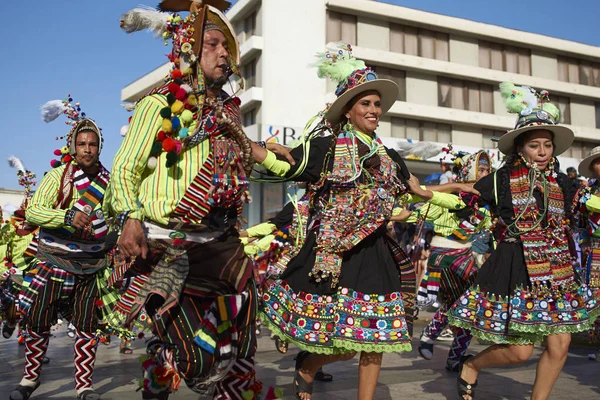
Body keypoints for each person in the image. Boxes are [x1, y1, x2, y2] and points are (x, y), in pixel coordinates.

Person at [251, 43, 477, 400]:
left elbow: (415, 195)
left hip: (376, 253)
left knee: (376, 337)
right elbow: (288, 165)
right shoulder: (327, 147)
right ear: (348, 111)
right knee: (338, 339)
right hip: (334, 255)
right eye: (365, 104)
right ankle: (308, 365)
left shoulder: (390, 158)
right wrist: (247, 146)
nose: (374, 110)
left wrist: (459, 196)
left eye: (377, 104)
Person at [113, 2, 264, 398]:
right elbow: (125, 168)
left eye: (226, 48)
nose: (222, 54)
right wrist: (130, 217)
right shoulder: (158, 104)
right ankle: (164, 356)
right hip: (168, 247)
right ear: (188, 52)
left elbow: (252, 161)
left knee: (242, 335)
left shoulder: (229, 115)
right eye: (212, 44)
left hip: (221, 244)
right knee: (198, 361)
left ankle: (182, 368)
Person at [447, 83, 600, 400]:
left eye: (547, 145)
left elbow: (588, 207)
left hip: (557, 271)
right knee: (519, 351)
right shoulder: (502, 180)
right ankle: (472, 365)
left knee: (561, 343)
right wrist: (427, 194)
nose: (543, 152)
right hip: (518, 268)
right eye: (535, 145)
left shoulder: (563, 185)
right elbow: (467, 196)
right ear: (520, 148)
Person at [10, 96, 114, 400]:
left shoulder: (109, 182)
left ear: (98, 148)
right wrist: (67, 215)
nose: (87, 149)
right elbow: (33, 212)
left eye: (92, 144)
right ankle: (30, 379)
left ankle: (84, 385)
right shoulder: (57, 176)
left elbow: (118, 213)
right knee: (38, 322)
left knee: (86, 327)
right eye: (81, 144)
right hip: (53, 261)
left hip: (90, 266)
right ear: (73, 146)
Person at [407, 150, 493, 372]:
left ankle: (451, 354)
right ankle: (434, 336)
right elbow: (418, 197)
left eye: (487, 170)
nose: (484, 174)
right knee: (471, 299)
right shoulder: (452, 198)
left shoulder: (484, 204)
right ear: (468, 172)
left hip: (465, 255)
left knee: (465, 307)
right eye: (480, 170)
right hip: (444, 256)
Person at [572, 146, 600, 351]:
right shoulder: (586, 191)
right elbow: (579, 221)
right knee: (595, 292)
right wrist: (584, 243)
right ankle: (596, 338)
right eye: (598, 162)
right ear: (592, 167)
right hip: (595, 247)